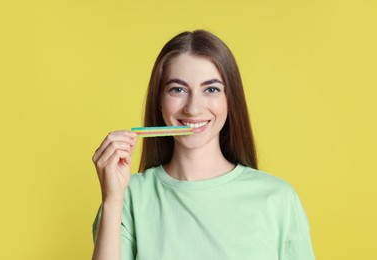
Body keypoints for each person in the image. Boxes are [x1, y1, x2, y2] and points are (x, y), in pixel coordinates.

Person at [91, 30, 315, 260]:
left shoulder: (278, 199)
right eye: (178, 89)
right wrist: (112, 200)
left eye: (211, 89)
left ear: (230, 100)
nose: (193, 108)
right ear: (159, 101)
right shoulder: (128, 196)